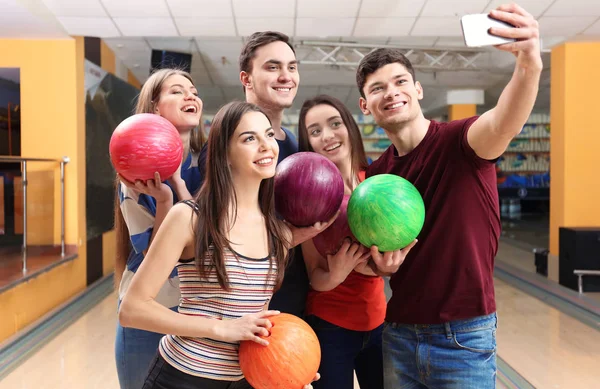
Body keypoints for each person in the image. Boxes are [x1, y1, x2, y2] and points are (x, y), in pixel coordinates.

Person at [355, 3, 542, 388]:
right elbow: (382, 260)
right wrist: (382, 268)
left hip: (465, 337)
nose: (391, 93)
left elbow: (506, 118)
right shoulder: (375, 178)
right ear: (365, 105)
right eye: (377, 88)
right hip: (399, 333)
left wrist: (529, 64)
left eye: (400, 81)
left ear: (418, 89)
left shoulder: (462, 143)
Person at [118, 101, 318, 389]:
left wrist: (289, 365)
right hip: (181, 378)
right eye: (250, 138)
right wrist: (220, 328)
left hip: (241, 381)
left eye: (269, 135)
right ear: (224, 154)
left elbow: (255, 325)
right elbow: (132, 309)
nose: (266, 146)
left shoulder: (277, 231)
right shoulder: (189, 218)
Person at [197, 31, 331, 318]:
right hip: (239, 306)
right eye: (273, 67)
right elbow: (213, 234)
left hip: (293, 299)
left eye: (292, 67)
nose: (286, 76)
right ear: (246, 79)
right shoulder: (223, 148)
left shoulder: (297, 147)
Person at [298, 95, 416, 389]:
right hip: (329, 326)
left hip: (378, 321)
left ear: (349, 127)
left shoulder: (377, 182)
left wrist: (389, 267)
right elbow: (315, 275)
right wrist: (337, 272)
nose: (327, 136)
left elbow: (388, 259)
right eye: (315, 131)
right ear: (308, 143)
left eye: (334, 124)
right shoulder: (310, 198)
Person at [113, 68, 204, 389]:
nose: (191, 96)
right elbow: (156, 258)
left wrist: (178, 184)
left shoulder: (210, 163)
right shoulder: (134, 170)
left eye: (193, 91)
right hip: (145, 312)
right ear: (154, 107)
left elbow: (208, 239)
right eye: (177, 91)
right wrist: (165, 200)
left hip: (195, 311)